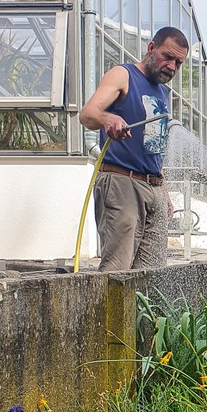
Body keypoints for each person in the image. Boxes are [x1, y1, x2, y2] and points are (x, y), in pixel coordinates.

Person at [79, 27, 189, 271]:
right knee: (117, 270)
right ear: (151, 48)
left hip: (155, 188)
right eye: (168, 57)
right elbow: (87, 114)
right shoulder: (123, 75)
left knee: (153, 274)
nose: (172, 67)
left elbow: (154, 146)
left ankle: (142, 312)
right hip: (122, 183)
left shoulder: (163, 92)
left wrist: (165, 190)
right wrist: (108, 119)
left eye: (178, 63)